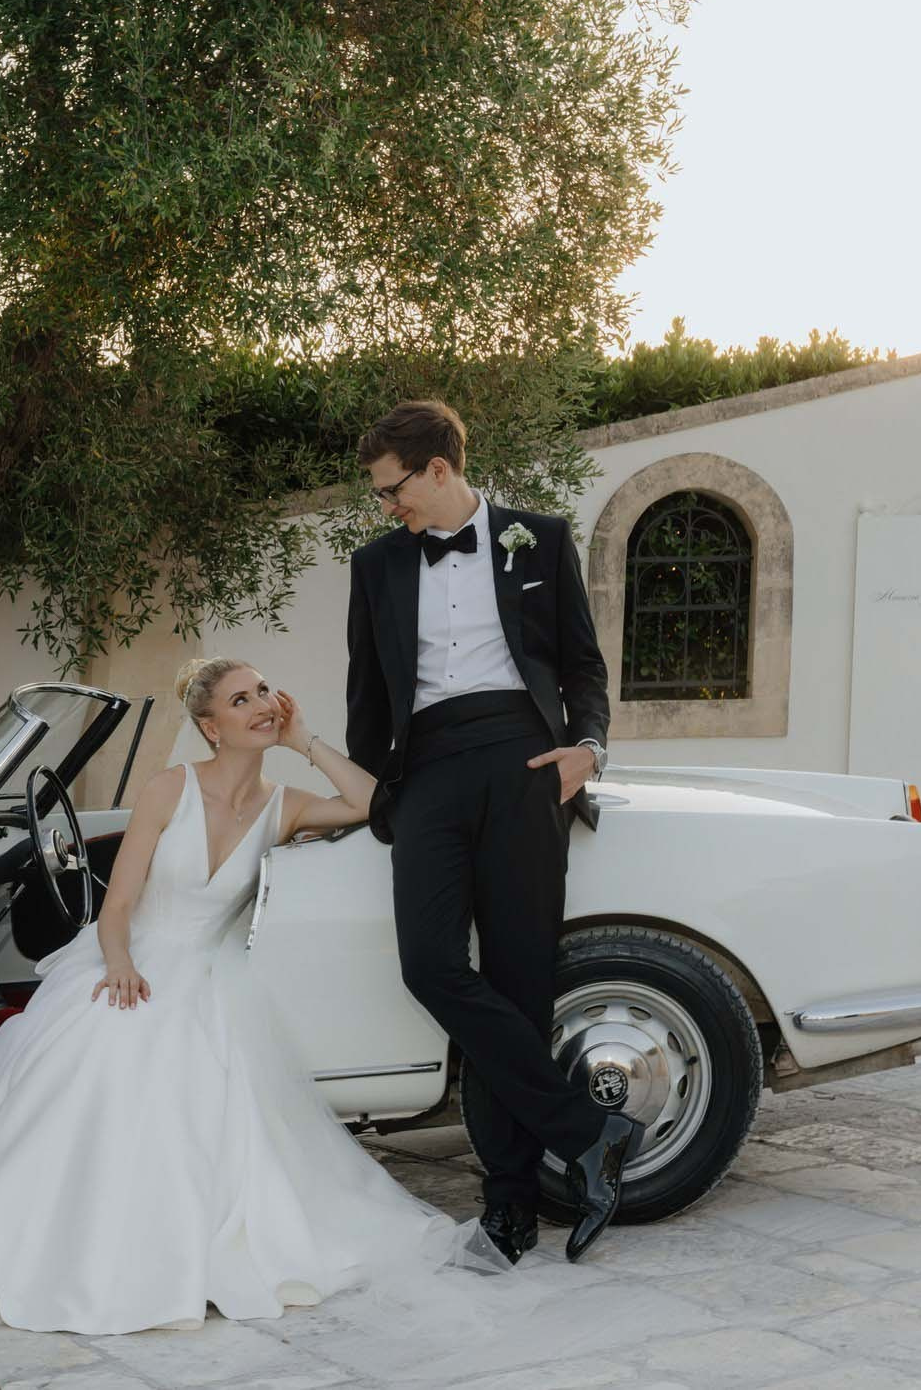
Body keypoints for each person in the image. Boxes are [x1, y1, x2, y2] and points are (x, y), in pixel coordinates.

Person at [0, 656, 496, 1334]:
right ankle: (80, 1242)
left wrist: (302, 739)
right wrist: (120, 964)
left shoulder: (284, 806)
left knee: (200, 1074)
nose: (261, 704)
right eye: (241, 699)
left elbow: (373, 805)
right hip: (132, 959)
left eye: (263, 692)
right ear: (211, 726)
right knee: (103, 1051)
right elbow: (118, 906)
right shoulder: (169, 789)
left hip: (214, 980)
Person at [344, 399, 640, 1265]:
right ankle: (589, 1129)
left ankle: (510, 1206)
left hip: (524, 759)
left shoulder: (538, 538)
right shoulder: (376, 564)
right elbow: (368, 696)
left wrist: (589, 749)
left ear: (438, 468)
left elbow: (582, 664)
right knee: (429, 963)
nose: (386, 505)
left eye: (391, 488)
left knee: (519, 983)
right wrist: (383, 796)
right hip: (429, 769)